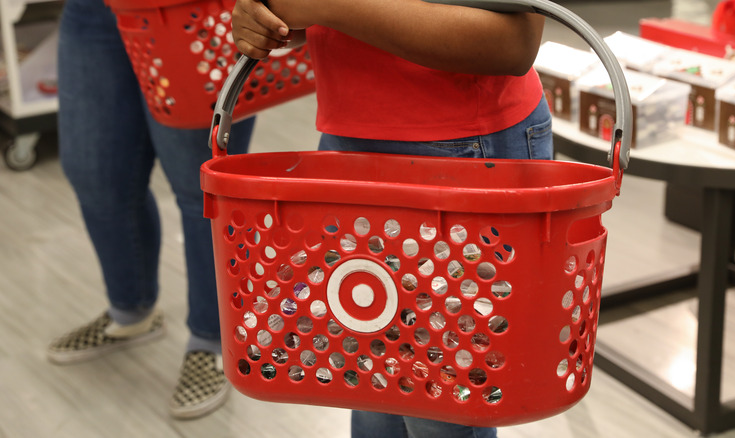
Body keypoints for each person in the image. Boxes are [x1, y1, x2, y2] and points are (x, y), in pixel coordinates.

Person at [231, 1, 551, 437]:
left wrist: (329, 5)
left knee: (440, 406)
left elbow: (514, 41)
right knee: (368, 377)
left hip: (461, 147)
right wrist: (272, 15)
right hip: (350, 138)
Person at [47, 0, 256, 420]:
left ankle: (213, 342)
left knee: (200, 184)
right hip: (95, 10)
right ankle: (130, 311)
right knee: (95, 171)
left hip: (195, 10)